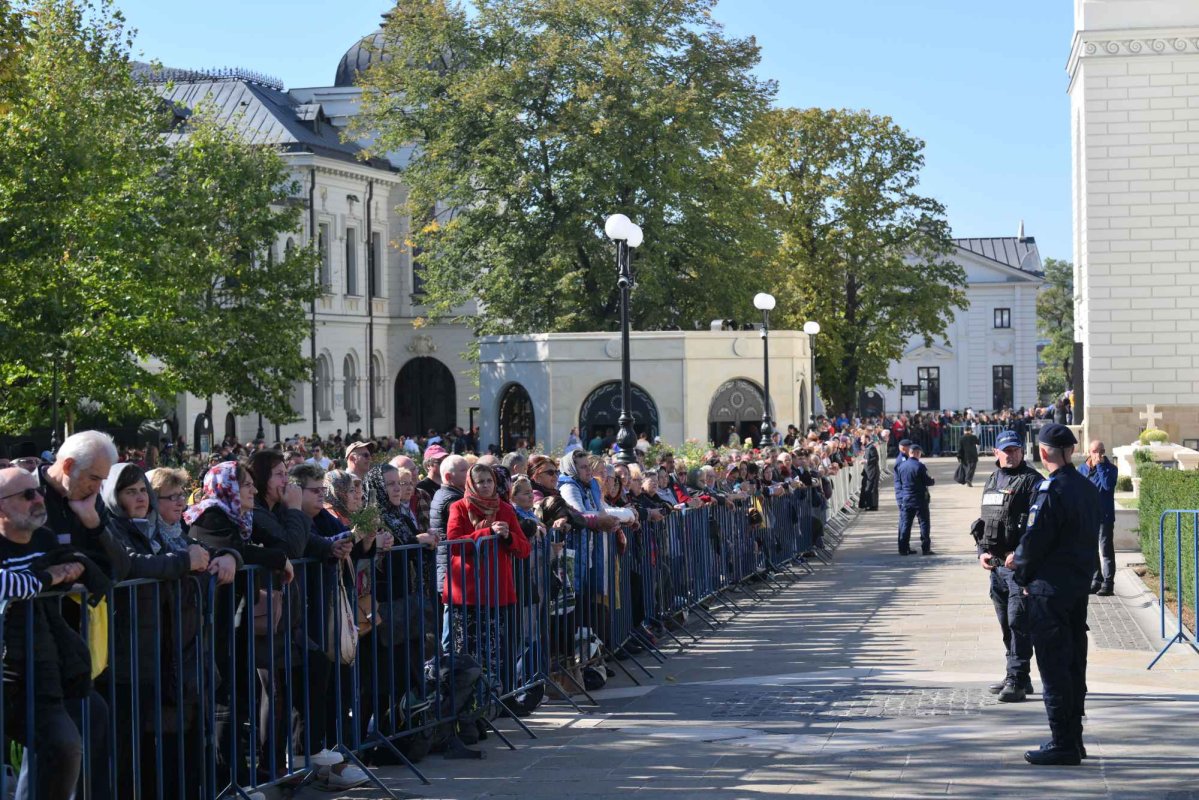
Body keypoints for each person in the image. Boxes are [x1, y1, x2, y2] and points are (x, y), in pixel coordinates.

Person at [0, 467, 110, 800]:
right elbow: (7, 584)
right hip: (5, 671)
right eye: (27, 495)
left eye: (37, 491)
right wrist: (47, 578)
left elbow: (109, 572)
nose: (38, 499)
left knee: (65, 746)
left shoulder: (46, 539)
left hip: (41, 670)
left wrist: (76, 565)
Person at [1010, 423, 1099, 765]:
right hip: (1077, 588)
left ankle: (1063, 742)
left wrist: (1019, 569)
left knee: (1054, 666)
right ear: (1072, 451)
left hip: (1049, 592)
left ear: (1043, 452)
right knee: (1075, 665)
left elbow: (1034, 543)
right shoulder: (1087, 488)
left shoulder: (1051, 491)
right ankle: (1074, 739)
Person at [972, 430, 1041, 703]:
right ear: (996, 453)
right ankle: (1017, 674)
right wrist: (981, 553)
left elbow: (1040, 529)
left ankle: (1017, 679)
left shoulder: (1033, 481)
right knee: (1006, 625)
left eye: (1015, 449)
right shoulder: (993, 479)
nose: (1011, 454)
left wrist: (1022, 555)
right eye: (1006, 450)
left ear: (1022, 452)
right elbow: (983, 523)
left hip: (1019, 570)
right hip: (996, 568)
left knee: (1018, 623)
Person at [1079, 440, 1118, 596]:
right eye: (1095, 451)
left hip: (1104, 517)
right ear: (1089, 452)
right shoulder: (1082, 469)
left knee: (1106, 550)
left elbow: (1108, 486)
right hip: (1088, 517)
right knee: (1091, 549)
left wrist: (1100, 466)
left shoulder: (1111, 469)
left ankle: (1108, 584)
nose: (1099, 454)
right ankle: (1096, 580)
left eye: (1101, 451)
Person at [894, 442, 935, 556]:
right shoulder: (920, 466)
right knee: (924, 523)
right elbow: (927, 481)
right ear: (917, 453)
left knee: (906, 524)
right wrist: (932, 480)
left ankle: (903, 548)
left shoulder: (901, 466)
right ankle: (925, 548)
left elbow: (900, 482)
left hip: (907, 498)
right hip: (920, 499)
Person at [859, 435, 880, 511]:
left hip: (873, 471)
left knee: (872, 488)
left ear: (866, 439)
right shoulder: (868, 447)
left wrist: (866, 461)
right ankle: (869, 504)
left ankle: (873, 506)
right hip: (868, 471)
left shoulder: (871, 447)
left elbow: (876, 458)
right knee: (868, 487)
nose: (861, 441)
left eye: (862, 439)